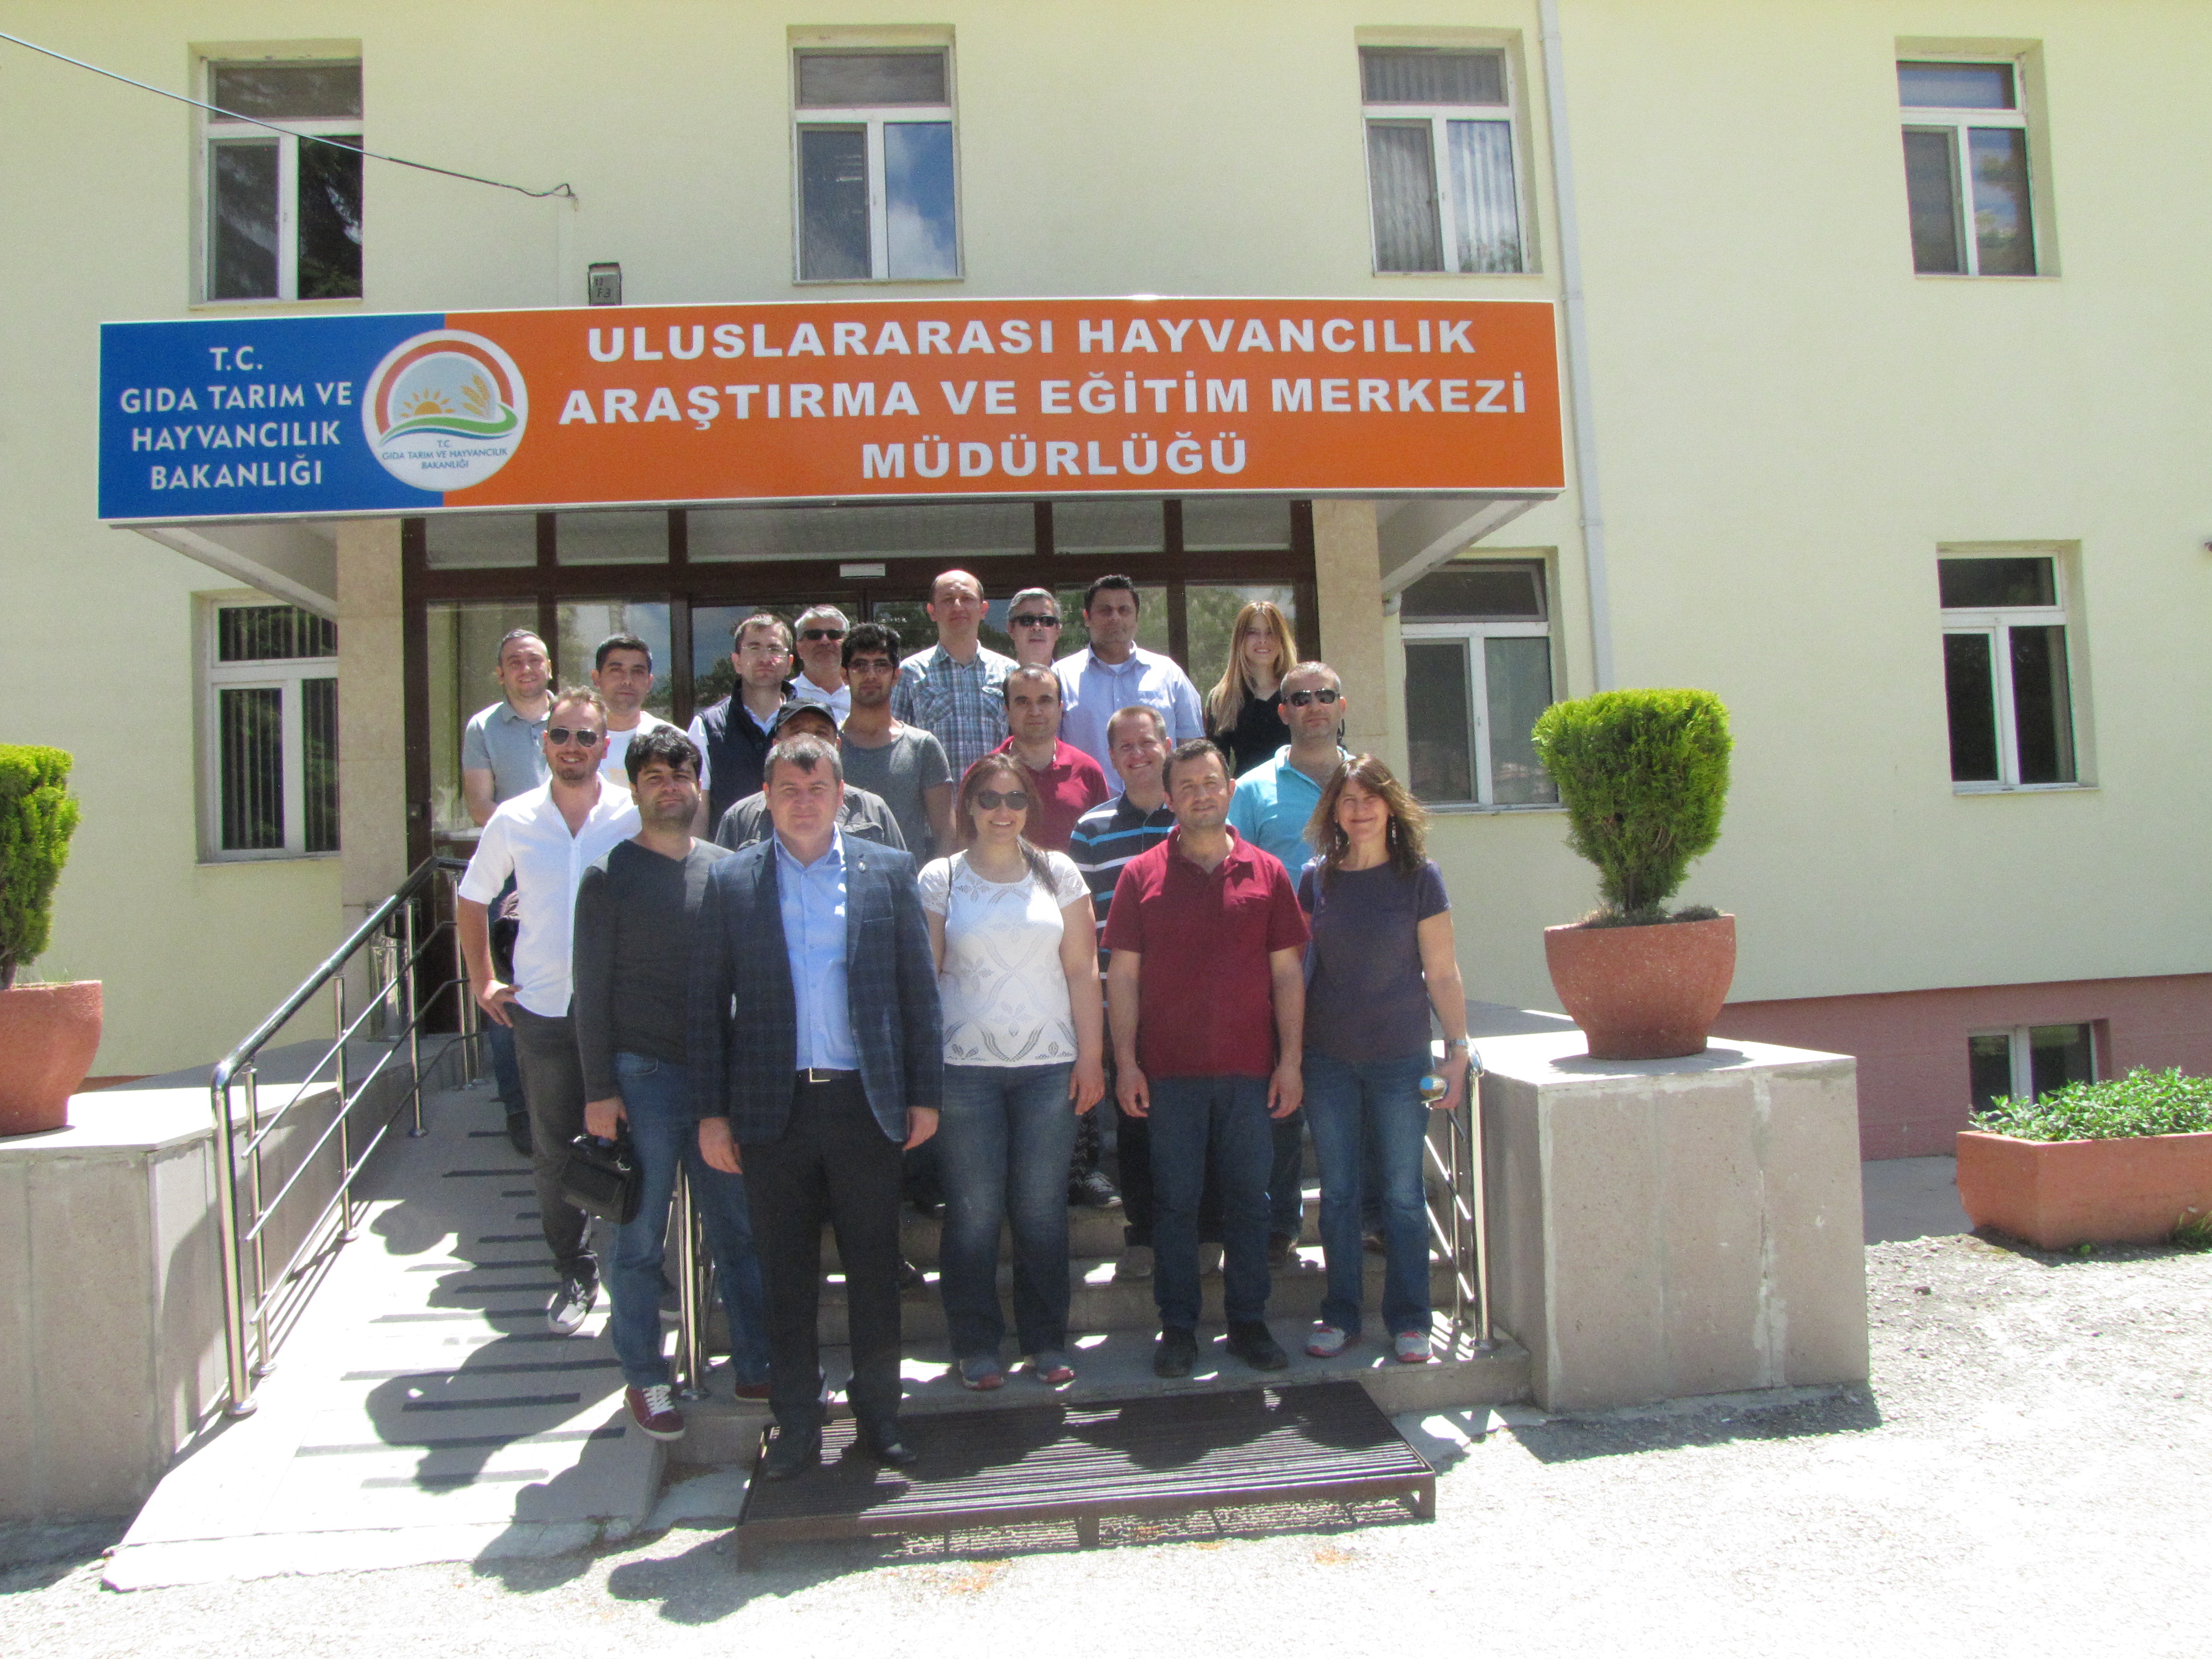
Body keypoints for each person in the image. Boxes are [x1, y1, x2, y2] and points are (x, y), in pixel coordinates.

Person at [687, 733, 943, 1481]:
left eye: (818, 789)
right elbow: (706, 1007)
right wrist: (712, 1114)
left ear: (841, 796)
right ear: (767, 797)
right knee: (786, 1275)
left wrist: (923, 1095)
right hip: (773, 1110)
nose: (804, 803)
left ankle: (880, 1416)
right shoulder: (732, 881)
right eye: (790, 791)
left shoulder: (887, 871)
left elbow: (918, 994)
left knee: (873, 1270)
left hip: (865, 1102)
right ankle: (797, 1422)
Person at [572, 727, 771, 1440]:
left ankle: (756, 1365)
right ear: (635, 788)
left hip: (720, 1083)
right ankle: (645, 1377)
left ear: (698, 785)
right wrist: (599, 1090)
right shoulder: (608, 876)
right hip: (643, 1078)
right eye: (654, 776)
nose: (669, 788)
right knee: (637, 1239)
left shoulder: (728, 869)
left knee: (739, 1230)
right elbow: (590, 992)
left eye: (680, 775)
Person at [1103, 739, 1308, 1379]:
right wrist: (1126, 1063)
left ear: (1229, 790)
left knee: (1250, 1202)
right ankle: (1178, 1328)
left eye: (1211, 782)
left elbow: (1287, 976)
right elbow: (1123, 978)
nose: (1201, 795)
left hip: (1251, 1072)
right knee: (1175, 1205)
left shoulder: (1267, 873)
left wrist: (1291, 1061)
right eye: (1187, 786)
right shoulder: (1140, 875)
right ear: (1169, 798)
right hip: (1168, 1075)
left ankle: (1248, 1323)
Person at [919, 754, 1105, 1391]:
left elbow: (1083, 970)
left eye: (1016, 799)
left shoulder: (1059, 873)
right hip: (963, 1071)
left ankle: (1046, 1341)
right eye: (990, 799)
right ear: (968, 806)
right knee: (972, 1211)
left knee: (1040, 1210)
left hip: (1049, 1069)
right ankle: (975, 1345)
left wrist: (1090, 1057)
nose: (1003, 811)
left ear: (1031, 806)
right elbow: (925, 979)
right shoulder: (940, 879)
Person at [457, 687, 639, 1334]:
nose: (572, 747)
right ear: (544, 742)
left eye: (585, 736)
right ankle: (574, 1267)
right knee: (554, 1149)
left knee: (638, 1143)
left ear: (604, 745)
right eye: (561, 735)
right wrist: (484, 979)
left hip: (621, 1012)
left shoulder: (631, 814)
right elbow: (472, 897)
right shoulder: (514, 818)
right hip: (543, 1012)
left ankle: (641, 1268)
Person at [1296, 756, 1470, 1366]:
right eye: (1348, 800)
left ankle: (1411, 1319)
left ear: (1392, 806)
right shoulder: (1316, 879)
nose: (1360, 810)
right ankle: (1340, 1315)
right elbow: (1297, 972)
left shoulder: (1420, 878)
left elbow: (1442, 972)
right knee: (1339, 1195)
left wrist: (1457, 1051)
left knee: (1401, 1195)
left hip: (1400, 1059)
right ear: (1333, 812)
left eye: (1371, 798)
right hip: (1327, 1060)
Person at [1228, 660, 1355, 1266]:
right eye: (1300, 699)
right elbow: (1232, 878)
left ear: (1341, 706)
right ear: (1282, 712)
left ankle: (1366, 1217)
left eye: (1324, 695)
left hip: (1359, 970)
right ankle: (1280, 1222)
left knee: (1355, 1099)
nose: (1313, 706)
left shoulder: (1371, 783)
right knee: (1281, 1098)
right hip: (1280, 970)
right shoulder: (1252, 790)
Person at [1067, 707, 1181, 1258]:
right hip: (1120, 999)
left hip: (1186, 1001)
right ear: (1111, 757)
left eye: (1147, 743)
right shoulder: (1090, 830)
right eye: (1126, 748)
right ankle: (1144, 1235)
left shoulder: (1191, 818)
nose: (1138, 755)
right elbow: (1082, 926)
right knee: (1135, 1122)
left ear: (1167, 745)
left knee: (1187, 1120)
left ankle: (1200, 1233)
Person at [461, 628, 553, 1156]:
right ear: (501, 673)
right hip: (513, 872)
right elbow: (480, 805)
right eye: (515, 661)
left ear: (549, 668)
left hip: (571, 865)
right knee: (507, 986)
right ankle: (519, 1107)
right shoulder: (484, 727)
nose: (526, 668)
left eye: (534, 660)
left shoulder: (573, 720)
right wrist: (538, 836)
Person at [1054, 576, 1204, 790]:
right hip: (1089, 805)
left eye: (1124, 610)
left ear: (1136, 618)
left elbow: (1191, 748)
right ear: (1087, 617)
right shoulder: (1061, 676)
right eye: (1106, 611)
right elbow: (1050, 750)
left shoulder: (1169, 674)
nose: (1115, 618)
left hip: (1161, 806)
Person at [713, 703, 905, 852]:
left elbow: (899, 880)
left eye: (821, 733)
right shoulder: (740, 817)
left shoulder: (871, 809)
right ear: (776, 745)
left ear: (837, 746)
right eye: (798, 733)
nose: (809, 742)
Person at [838, 622, 955, 858]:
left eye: (881, 665)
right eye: (860, 665)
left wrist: (933, 880)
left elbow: (946, 833)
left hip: (907, 879)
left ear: (896, 676)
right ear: (845, 675)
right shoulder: (829, 747)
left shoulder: (922, 747)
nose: (871, 675)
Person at [891, 568, 1015, 781]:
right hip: (933, 799)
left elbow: (1021, 744)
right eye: (948, 600)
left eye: (967, 599)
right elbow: (897, 746)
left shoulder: (1008, 672)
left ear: (983, 609)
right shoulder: (910, 673)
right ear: (932, 611)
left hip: (995, 798)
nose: (958, 606)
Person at [687, 613, 795, 830]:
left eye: (774, 649)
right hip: (728, 850)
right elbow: (698, 812)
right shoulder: (707, 726)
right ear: (737, 662)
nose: (765, 658)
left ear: (789, 664)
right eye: (754, 648)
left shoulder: (810, 722)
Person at [989, 666, 1109, 853]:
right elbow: (967, 845)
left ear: (1060, 708)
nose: (1035, 711)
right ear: (1007, 710)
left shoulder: (1087, 771)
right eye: (1023, 702)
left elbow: (1104, 845)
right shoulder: (985, 775)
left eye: (1045, 701)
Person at [1204, 600, 1296, 776]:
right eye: (1253, 633)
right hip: (1247, 792)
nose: (1263, 640)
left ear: (1282, 639)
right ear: (1240, 640)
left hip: (1297, 790)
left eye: (1271, 632)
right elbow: (1216, 767)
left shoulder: (1299, 693)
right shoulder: (1223, 698)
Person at [591, 632, 676, 784]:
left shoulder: (672, 740)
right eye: (616, 670)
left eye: (637, 672)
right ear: (596, 678)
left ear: (649, 682)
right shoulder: (573, 740)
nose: (627, 680)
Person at [788, 603, 853, 724]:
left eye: (834, 635)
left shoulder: (863, 696)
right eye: (814, 635)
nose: (825, 641)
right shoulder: (786, 696)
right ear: (800, 648)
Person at [1005, 586, 1065, 670]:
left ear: (1058, 631)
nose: (1037, 627)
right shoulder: (1000, 677)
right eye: (1027, 620)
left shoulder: (1071, 678)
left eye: (1046, 620)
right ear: (1011, 629)